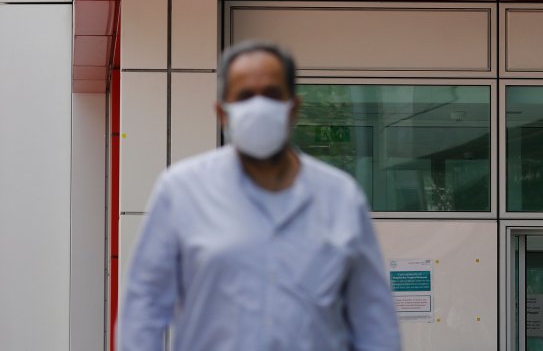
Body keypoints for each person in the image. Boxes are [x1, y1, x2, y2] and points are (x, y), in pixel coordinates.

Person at [117, 40, 401, 351]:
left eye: (271, 94)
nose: (259, 106)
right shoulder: (181, 191)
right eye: (245, 96)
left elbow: (374, 319)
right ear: (221, 112)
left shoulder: (341, 197)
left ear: (293, 108)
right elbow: (143, 308)